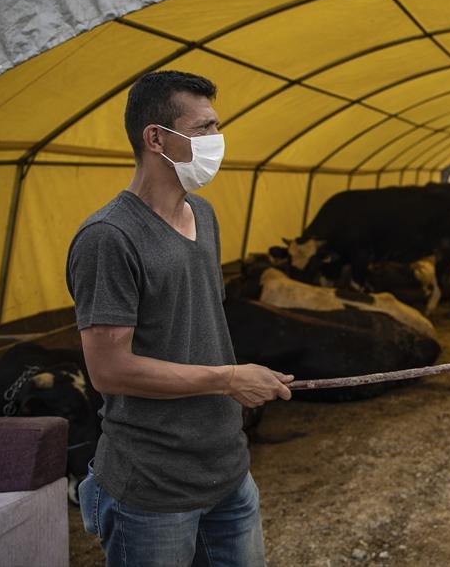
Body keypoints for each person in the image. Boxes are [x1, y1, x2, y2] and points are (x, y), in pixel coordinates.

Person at [67, 70, 294, 567]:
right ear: (156, 138)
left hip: (226, 469)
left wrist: (230, 382)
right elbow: (109, 370)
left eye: (218, 127)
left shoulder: (204, 214)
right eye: (205, 128)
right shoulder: (109, 238)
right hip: (152, 486)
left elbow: (195, 327)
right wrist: (228, 378)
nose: (218, 141)